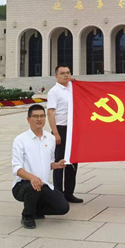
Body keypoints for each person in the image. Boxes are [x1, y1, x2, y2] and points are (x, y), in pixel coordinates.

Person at [12, 104, 70, 229]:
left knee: (63, 207)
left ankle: (36, 209)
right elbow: (16, 168)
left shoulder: (50, 139)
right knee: (33, 186)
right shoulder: (20, 140)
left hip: (43, 184)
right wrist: (31, 177)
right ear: (28, 119)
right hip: (23, 185)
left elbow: (48, 163)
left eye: (42, 116)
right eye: (35, 116)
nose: (39, 119)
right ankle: (27, 216)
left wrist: (55, 165)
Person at [47, 65, 83, 203]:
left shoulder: (72, 88)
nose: (66, 75)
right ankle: (58, 194)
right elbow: (50, 113)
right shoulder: (54, 91)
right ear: (56, 76)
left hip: (73, 129)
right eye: (63, 73)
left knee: (73, 162)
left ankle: (69, 193)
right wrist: (55, 133)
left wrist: (74, 81)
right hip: (60, 129)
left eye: (68, 73)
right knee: (60, 162)